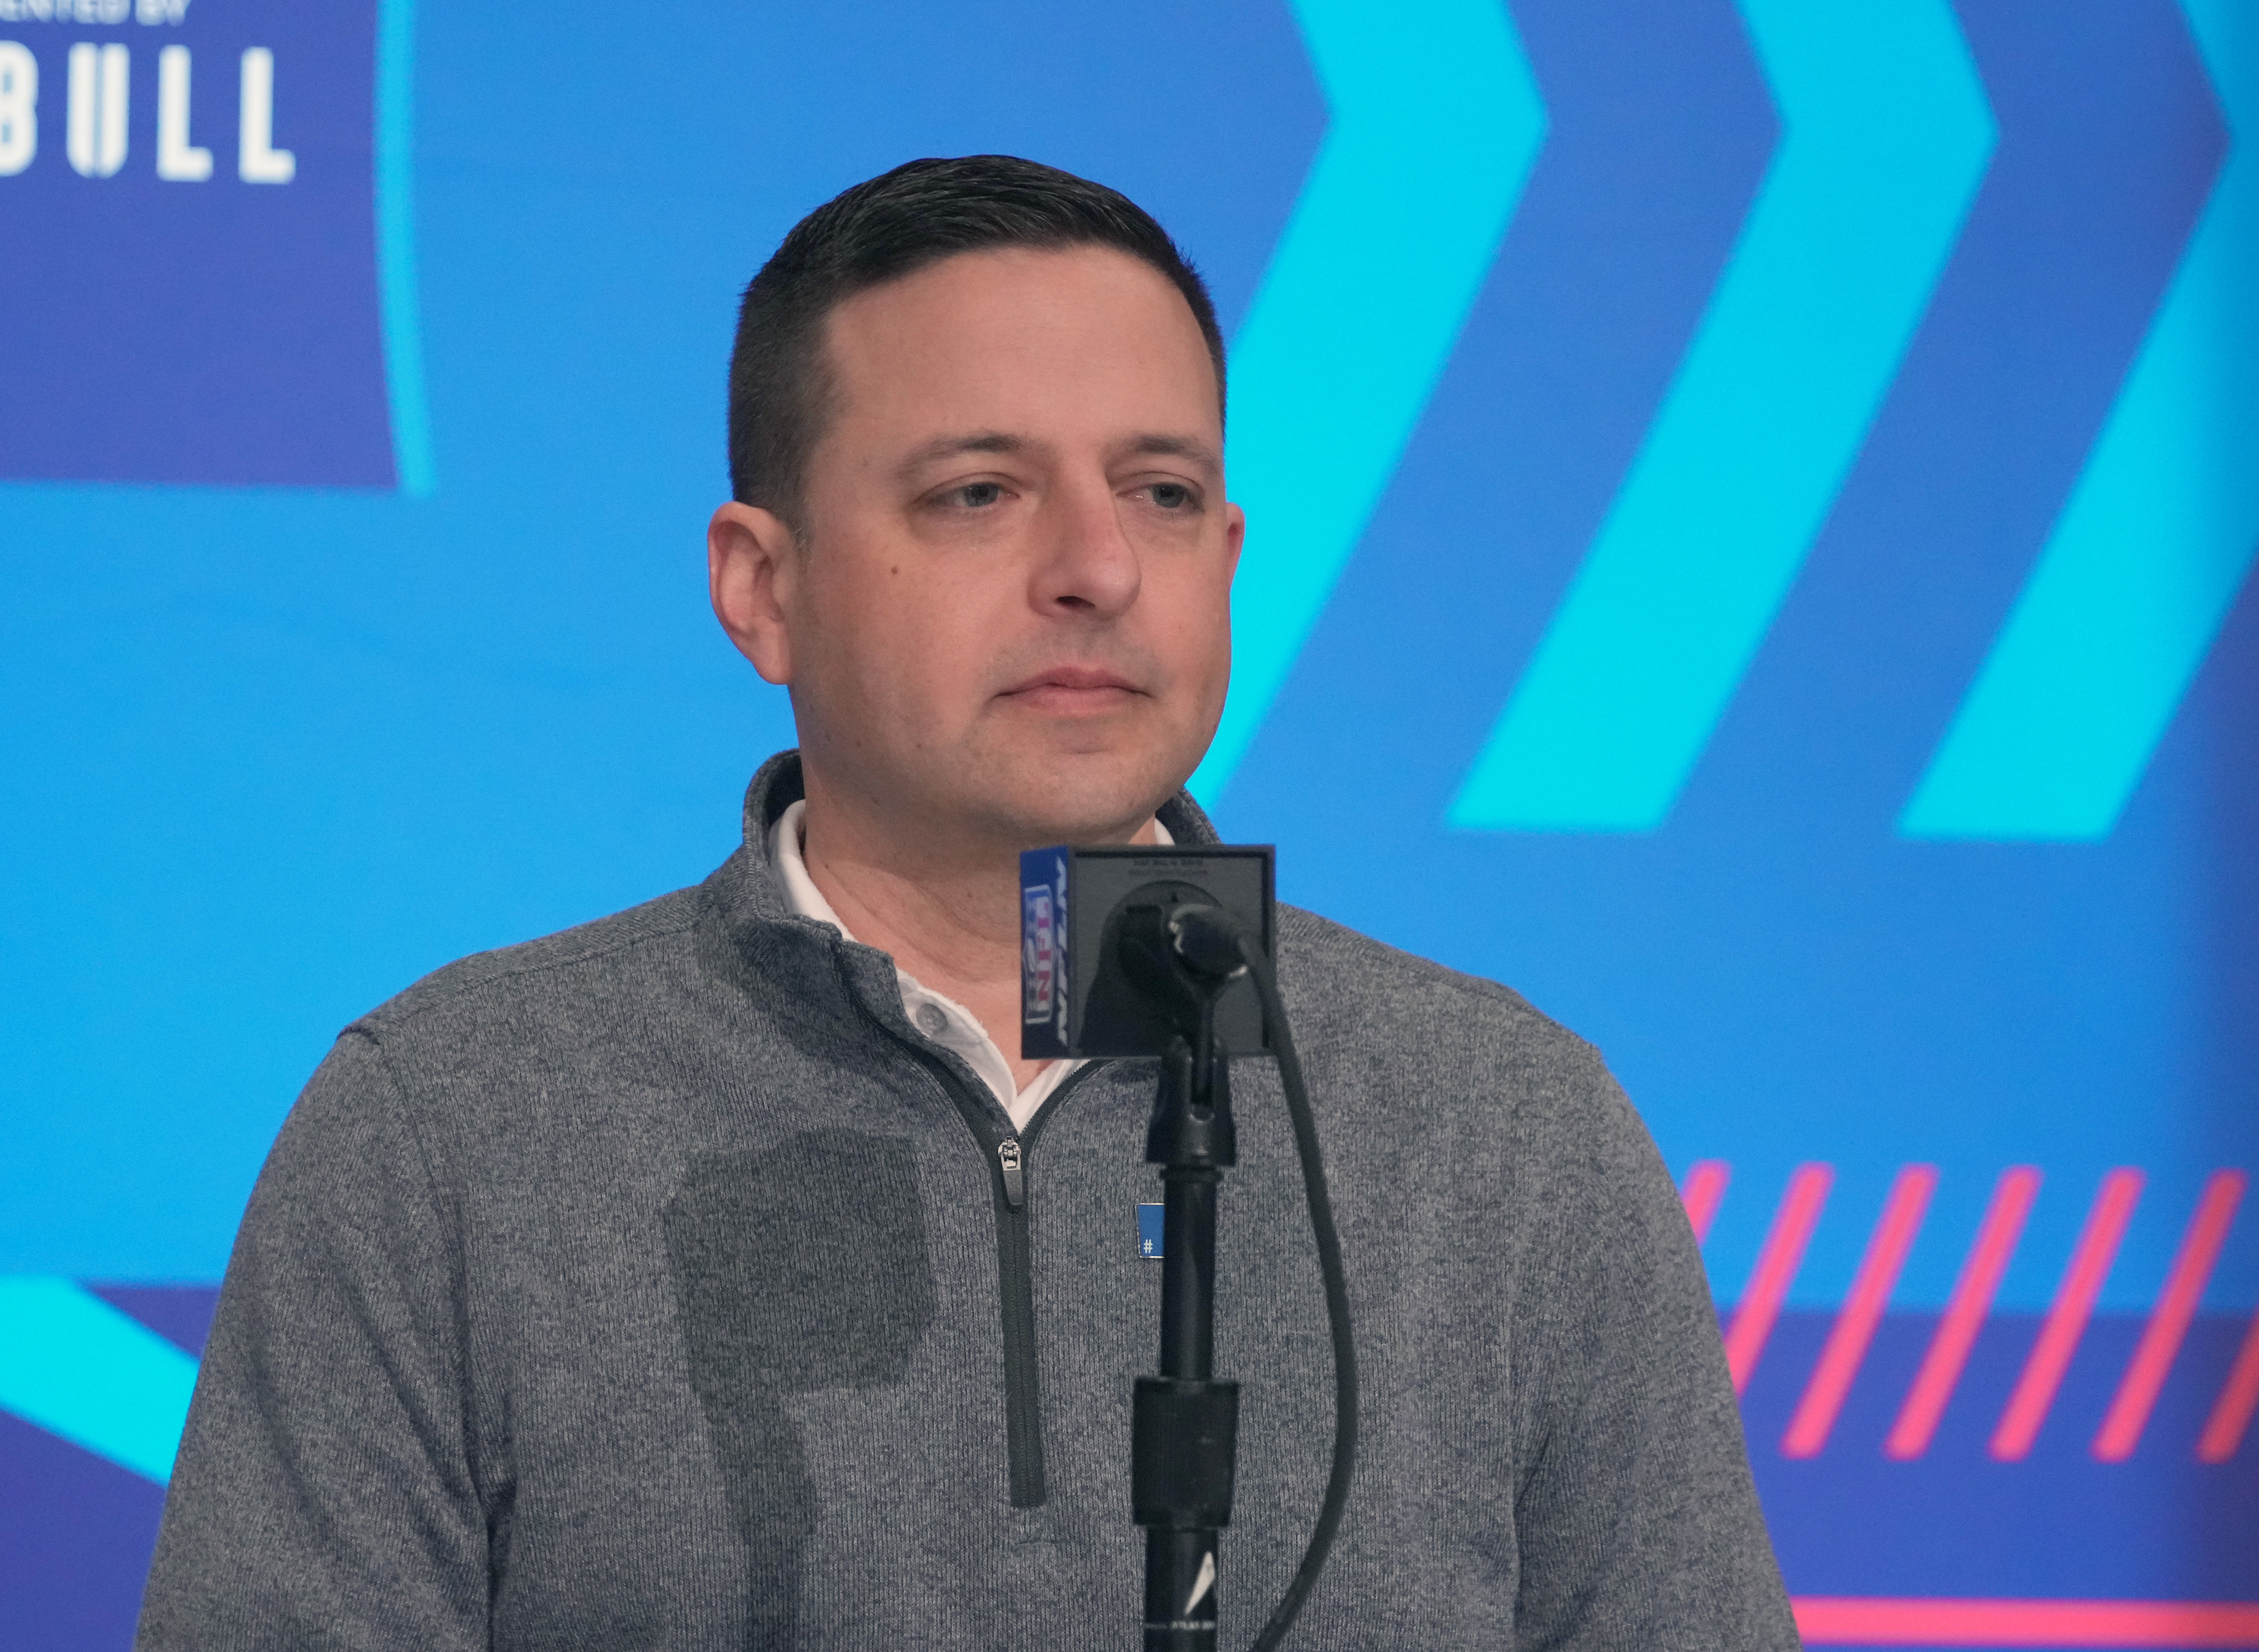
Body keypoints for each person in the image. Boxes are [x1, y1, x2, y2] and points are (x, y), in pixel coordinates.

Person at [136, 155, 1798, 1650]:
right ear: (761, 587)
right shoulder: (449, 1127)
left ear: (1225, 554)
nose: (1093, 566)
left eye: (1156, 493)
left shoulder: (1504, 1132)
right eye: (978, 493)